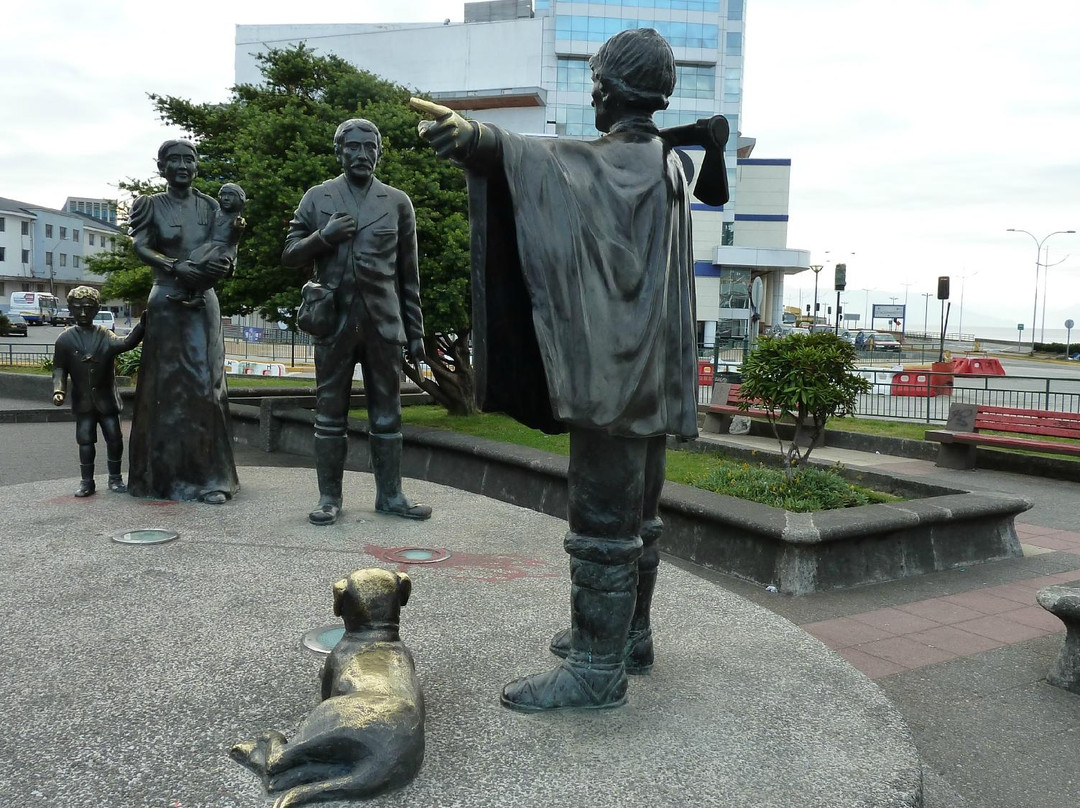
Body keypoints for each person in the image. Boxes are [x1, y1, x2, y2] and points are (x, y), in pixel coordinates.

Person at [414, 27, 726, 712]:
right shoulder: (667, 160)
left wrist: (486, 142)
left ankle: (596, 668)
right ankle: (631, 637)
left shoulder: (632, 161)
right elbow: (570, 161)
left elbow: (558, 164)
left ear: (610, 91)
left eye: (594, 85)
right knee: (641, 519)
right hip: (651, 378)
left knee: (602, 524)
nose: (591, 97)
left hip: (617, 378)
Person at [283, 118, 430, 526]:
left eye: (370, 147)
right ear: (339, 151)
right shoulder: (318, 198)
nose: (362, 154)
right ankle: (329, 498)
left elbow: (408, 276)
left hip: (383, 323)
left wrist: (416, 335)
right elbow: (290, 254)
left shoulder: (397, 202)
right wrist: (323, 237)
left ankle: (391, 496)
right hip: (333, 322)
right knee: (330, 412)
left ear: (379, 152)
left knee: (389, 415)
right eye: (353, 147)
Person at [126, 139, 240, 504]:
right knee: (165, 389)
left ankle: (213, 477)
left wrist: (224, 265)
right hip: (166, 298)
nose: (181, 165)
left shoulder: (211, 206)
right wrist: (175, 266)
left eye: (187, 159)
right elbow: (141, 246)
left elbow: (227, 245)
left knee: (207, 386)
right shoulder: (150, 205)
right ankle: (159, 477)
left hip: (203, 301)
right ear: (160, 167)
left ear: (197, 166)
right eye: (172, 160)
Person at [52, 286, 145, 497]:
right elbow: (59, 368)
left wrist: (142, 326)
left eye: (88, 308)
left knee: (114, 438)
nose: (83, 313)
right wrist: (59, 389)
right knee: (85, 440)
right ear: (70, 310)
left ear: (96, 310)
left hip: (106, 401)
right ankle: (87, 482)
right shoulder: (64, 340)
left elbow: (127, 342)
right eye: (78, 309)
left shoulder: (105, 335)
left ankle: (115, 478)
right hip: (83, 402)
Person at [167, 183, 247, 309]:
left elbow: (233, 241)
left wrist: (238, 229)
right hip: (210, 245)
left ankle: (199, 295)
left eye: (231, 195)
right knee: (194, 261)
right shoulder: (217, 211)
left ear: (240, 199)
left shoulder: (236, 219)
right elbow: (211, 201)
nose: (226, 198)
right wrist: (200, 195)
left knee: (210, 267)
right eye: (223, 194)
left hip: (224, 248)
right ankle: (184, 291)